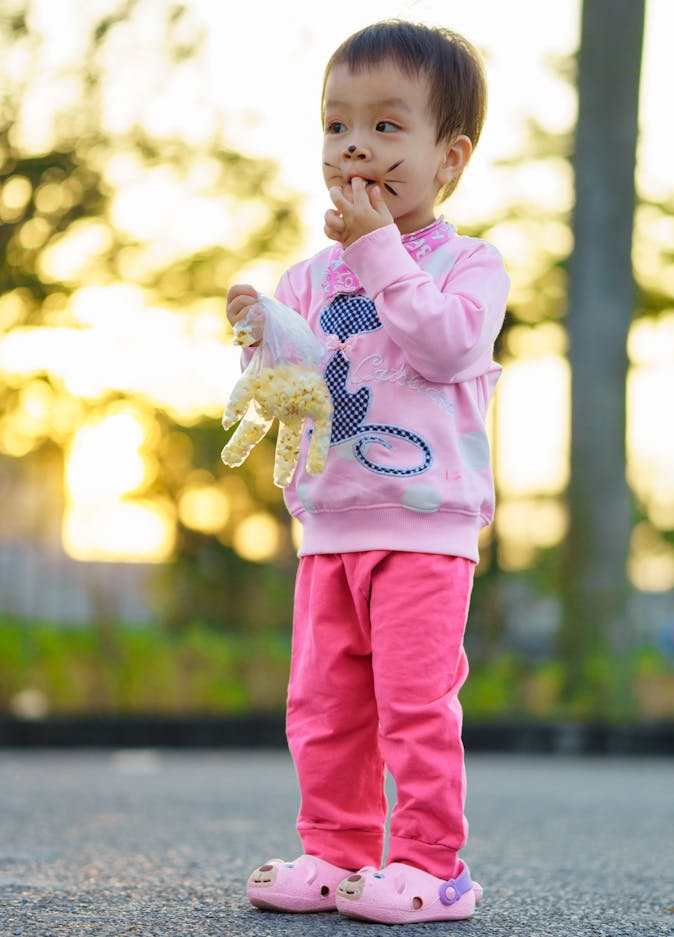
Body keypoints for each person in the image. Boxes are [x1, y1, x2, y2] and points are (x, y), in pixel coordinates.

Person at [226, 19, 510, 925]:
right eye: (337, 124)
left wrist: (377, 247)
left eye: (388, 127)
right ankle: (337, 852)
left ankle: (434, 865)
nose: (355, 144)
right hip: (333, 525)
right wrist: (262, 334)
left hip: (424, 529)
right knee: (324, 707)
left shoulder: (471, 265)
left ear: (449, 157)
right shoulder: (312, 276)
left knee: (414, 705)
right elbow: (300, 380)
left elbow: (445, 344)